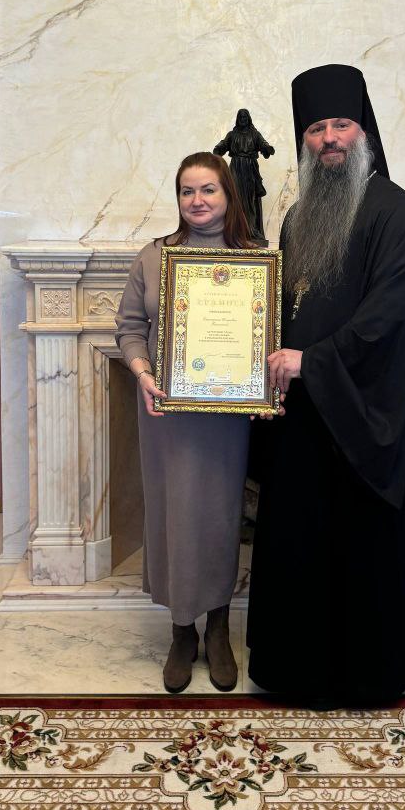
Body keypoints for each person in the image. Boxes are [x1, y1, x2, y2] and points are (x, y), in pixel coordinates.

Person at [246, 63, 405, 707]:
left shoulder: (395, 213)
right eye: (316, 127)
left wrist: (314, 362)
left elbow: (388, 317)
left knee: (356, 546)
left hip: (358, 419)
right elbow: (287, 309)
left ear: (364, 132)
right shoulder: (298, 218)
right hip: (303, 416)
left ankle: (364, 675)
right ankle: (292, 669)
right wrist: (262, 373)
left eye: (341, 124)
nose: (329, 138)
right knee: (297, 538)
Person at [115, 152, 260, 693]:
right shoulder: (154, 257)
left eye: (208, 189)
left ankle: (218, 626)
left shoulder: (255, 260)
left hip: (226, 415)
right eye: (186, 191)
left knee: (220, 513)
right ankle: (181, 630)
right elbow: (129, 327)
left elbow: (269, 337)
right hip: (167, 410)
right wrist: (142, 372)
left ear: (228, 195)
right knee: (173, 510)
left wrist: (266, 385)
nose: (197, 201)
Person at [214, 108, 275, 239]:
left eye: (245, 117)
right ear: (238, 119)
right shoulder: (232, 134)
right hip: (235, 167)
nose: (243, 119)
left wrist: (267, 148)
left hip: (250, 168)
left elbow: (263, 143)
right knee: (235, 196)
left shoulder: (255, 134)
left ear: (248, 119)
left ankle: (250, 229)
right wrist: (218, 149)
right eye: (241, 117)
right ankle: (235, 230)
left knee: (250, 199)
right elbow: (223, 144)